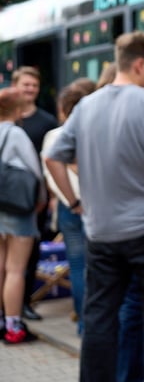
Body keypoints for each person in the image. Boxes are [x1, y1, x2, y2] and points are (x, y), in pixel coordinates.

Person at [44, 31, 144, 382]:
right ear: (140, 64)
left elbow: (54, 158)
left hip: (101, 232)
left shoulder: (86, 106)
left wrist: (74, 200)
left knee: (100, 316)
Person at [40, 78, 97, 336]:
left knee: (77, 266)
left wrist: (69, 201)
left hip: (68, 207)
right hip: (96, 205)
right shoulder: (95, 133)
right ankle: (99, 322)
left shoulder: (53, 136)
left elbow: (49, 175)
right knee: (98, 266)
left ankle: (84, 324)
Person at [11, 66, 58, 322]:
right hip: (6, 198)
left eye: (34, 85)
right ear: (15, 85)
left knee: (30, 254)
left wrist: (50, 196)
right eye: (25, 84)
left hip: (33, 199)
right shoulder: (6, 118)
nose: (30, 89)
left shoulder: (47, 121)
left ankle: (24, 303)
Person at [0, 87, 47, 344]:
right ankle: (13, 326)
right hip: (17, 208)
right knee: (16, 269)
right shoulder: (16, 134)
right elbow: (35, 170)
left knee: (0, 265)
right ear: (17, 110)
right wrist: (40, 200)